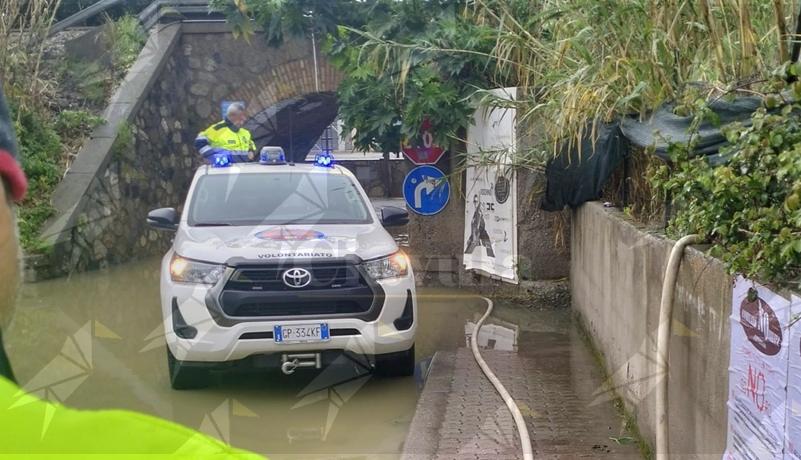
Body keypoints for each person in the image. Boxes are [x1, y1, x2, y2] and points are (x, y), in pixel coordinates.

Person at [0, 89, 262, 457]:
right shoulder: (162, 448)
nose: (239, 117)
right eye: (235, 112)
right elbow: (201, 143)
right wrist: (218, 155)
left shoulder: (246, 134)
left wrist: (247, 155)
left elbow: (250, 149)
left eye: (241, 114)